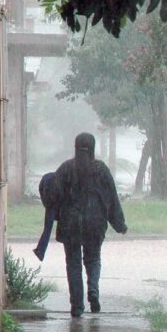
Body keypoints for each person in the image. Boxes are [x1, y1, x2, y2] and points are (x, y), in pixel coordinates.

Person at [54, 133, 127, 317]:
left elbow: (54, 196)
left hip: (70, 224)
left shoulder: (66, 169)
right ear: (93, 148)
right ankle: (93, 289)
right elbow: (112, 198)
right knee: (93, 259)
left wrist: (56, 216)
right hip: (95, 223)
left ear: (75, 146)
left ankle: (77, 306)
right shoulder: (101, 169)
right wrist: (119, 224)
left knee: (73, 264)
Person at [33, 172, 58, 261]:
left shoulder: (47, 177)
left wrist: (46, 204)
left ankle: (40, 250)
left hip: (50, 204)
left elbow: (41, 189)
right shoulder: (65, 177)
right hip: (59, 204)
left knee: (47, 229)